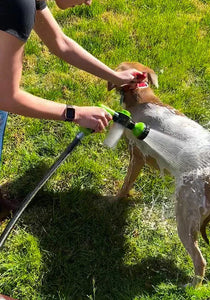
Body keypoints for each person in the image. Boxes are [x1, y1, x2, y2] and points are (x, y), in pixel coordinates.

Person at [0, 0, 142, 218]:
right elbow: (6, 97)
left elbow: (60, 43)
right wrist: (75, 113)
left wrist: (115, 77)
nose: (89, 2)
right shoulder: (17, 6)